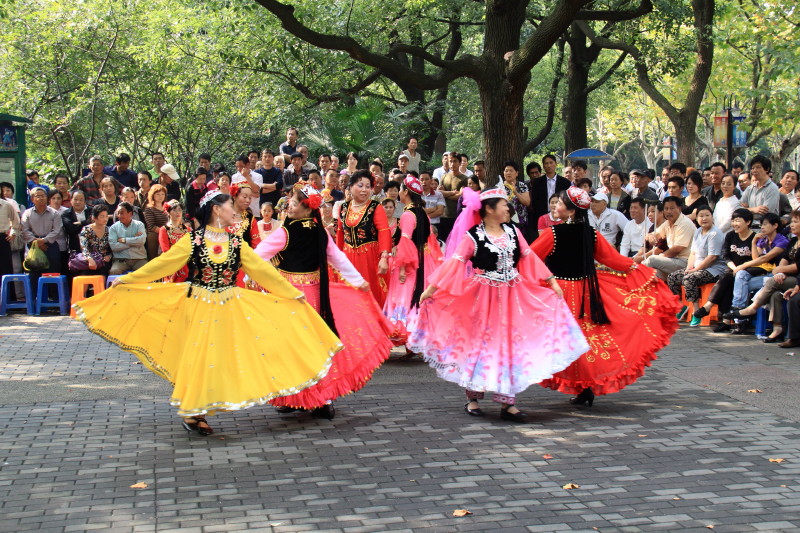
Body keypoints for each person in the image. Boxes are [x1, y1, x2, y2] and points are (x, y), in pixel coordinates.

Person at [73, 190, 342, 435]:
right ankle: (193, 413)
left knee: (222, 357)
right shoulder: (193, 240)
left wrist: (293, 295)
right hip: (199, 305)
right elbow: (164, 264)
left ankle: (202, 407)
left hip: (230, 306)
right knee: (199, 356)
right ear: (216, 209)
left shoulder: (237, 243)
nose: (235, 209)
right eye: (229, 205)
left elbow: (263, 272)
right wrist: (130, 280)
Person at [410, 186, 589, 422]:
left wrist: (551, 281)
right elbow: (454, 264)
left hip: (512, 295)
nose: (508, 208)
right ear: (489, 209)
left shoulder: (514, 231)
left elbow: (528, 257)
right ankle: (472, 397)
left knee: (509, 345)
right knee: (479, 343)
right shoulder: (473, 236)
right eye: (504, 204)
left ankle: (508, 402)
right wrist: (431, 290)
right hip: (481, 297)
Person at [531, 187, 679, 406]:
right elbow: (615, 261)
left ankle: (582, 387)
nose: (555, 207)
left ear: (571, 211)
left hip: (560, 294)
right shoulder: (591, 234)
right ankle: (586, 387)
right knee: (586, 339)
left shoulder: (552, 234)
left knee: (561, 338)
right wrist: (640, 271)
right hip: (587, 292)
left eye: (560, 204)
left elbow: (530, 259)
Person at [254, 186, 393, 419]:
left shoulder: (285, 233)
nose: (289, 205)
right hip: (317, 296)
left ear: (306, 208)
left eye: (293, 202)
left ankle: (294, 396)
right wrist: (358, 282)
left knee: (293, 347)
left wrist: (255, 278)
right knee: (317, 346)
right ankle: (322, 399)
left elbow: (257, 256)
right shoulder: (320, 232)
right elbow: (338, 259)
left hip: (291, 297)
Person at [383, 176, 443, 351]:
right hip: (426, 259)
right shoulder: (422, 212)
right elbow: (430, 237)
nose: (399, 193)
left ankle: (412, 340)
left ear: (406, 192)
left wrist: (401, 267)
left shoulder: (408, 214)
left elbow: (405, 241)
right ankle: (418, 342)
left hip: (412, 262)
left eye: (401, 190)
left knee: (409, 297)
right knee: (422, 298)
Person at [722, 209, 800, 341]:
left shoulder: (783, 241)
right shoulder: (793, 242)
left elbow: (796, 266)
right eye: (791, 222)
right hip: (782, 276)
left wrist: (780, 271)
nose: (791, 225)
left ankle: (750, 309)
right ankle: (777, 329)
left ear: (775, 226)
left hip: (794, 278)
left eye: (796, 222)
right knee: (772, 293)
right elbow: (760, 260)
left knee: (769, 283)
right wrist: (780, 271)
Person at [692, 209, 757, 332]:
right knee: (728, 280)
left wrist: (739, 269)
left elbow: (756, 259)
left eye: (737, 220)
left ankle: (710, 306)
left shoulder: (754, 237)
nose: (734, 224)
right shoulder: (730, 235)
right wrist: (734, 268)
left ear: (748, 222)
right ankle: (726, 320)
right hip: (733, 269)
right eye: (732, 221)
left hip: (749, 270)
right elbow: (726, 256)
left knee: (728, 279)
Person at [336, 170, 392, 307]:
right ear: (350, 187)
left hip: (369, 258)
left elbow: (384, 232)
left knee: (370, 294)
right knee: (349, 295)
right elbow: (340, 234)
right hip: (348, 258)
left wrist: (384, 258)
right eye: (360, 185)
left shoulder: (375, 207)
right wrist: (336, 259)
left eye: (368, 186)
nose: (364, 190)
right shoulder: (343, 208)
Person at [666, 205, 726, 325]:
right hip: (698, 267)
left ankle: (696, 311)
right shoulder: (698, 231)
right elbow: (693, 253)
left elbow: (712, 257)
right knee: (672, 277)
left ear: (712, 217)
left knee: (689, 278)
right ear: (697, 218)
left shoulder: (715, 233)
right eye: (701, 216)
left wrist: (695, 270)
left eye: (707, 215)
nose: (704, 218)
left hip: (714, 269)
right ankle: (680, 306)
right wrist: (689, 267)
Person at [642, 196, 695, 280]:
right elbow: (652, 235)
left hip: (685, 262)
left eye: (672, 208)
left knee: (651, 260)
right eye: (666, 209)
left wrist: (660, 256)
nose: (669, 211)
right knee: (655, 273)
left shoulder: (685, 223)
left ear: (679, 209)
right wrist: (651, 236)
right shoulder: (667, 223)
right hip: (672, 261)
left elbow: (677, 249)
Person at [21, 187, 64, 291]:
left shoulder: (54, 213)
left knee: (53, 272)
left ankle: (53, 298)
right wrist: (36, 242)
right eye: (38, 196)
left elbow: (57, 230)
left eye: (43, 196)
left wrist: (44, 240)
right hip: (33, 245)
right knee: (34, 272)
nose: (41, 198)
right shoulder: (27, 213)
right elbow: (24, 230)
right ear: (32, 199)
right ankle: (35, 298)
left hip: (50, 244)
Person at [740, 155, 780, 228]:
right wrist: (754, 209)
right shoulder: (750, 188)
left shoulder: (772, 188)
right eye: (752, 168)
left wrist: (746, 210)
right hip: (749, 228)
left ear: (767, 169)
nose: (754, 170)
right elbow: (738, 210)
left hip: (765, 229)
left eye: (758, 167)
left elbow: (765, 212)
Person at [72, 204, 113, 276]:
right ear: (94, 217)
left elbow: (113, 247)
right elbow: (84, 247)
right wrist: (90, 259)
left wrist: (109, 256)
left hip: (103, 261)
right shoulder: (86, 229)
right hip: (89, 260)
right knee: (84, 276)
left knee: (103, 274)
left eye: (106, 216)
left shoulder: (109, 230)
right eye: (102, 216)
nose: (105, 219)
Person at [157, 200, 192, 282]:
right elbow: (165, 250)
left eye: (180, 210)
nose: (178, 212)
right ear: (168, 212)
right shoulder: (164, 230)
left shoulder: (188, 230)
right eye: (174, 210)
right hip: (171, 261)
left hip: (186, 260)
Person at [108, 203, 148, 275]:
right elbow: (113, 246)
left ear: (130, 213)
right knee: (114, 271)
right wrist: (133, 241)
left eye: (122, 213)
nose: (119, 216)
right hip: (121, 260)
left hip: (139, 259)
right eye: (118, 213)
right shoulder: (113, 228)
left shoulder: (139, 225)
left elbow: (141, 241)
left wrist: (124, 240)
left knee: (147, 272)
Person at [501, 160, 531, 239]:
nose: (508, 173)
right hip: (504, 220)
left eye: (511, 171)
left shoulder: (522, 186)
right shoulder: (500, 187)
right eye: (506, 171)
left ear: (516, 173)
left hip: (520, 222)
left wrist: (516, 192)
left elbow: (527, 203)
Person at [143, 184, 169, 260]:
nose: (160, 196)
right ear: (152, 195)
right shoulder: (149, 209)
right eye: (158, 194)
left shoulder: (167, 207)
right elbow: (151, 227)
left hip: (168, 232)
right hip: (155, 234)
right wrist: (165, 232)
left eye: (162, 194)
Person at [61, 190, 90, 255]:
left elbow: (95, 224)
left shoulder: (92, 211)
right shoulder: (66, 214)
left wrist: (80, 223)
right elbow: (71, 229)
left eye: (81, 200)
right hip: (75, 247)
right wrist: (87, 223)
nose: (78, 202)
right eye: (75, 199)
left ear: (85, 201)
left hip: (92, 245)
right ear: (71, 200)